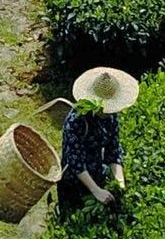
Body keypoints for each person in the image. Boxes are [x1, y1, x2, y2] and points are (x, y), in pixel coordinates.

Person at [58, 66, 138, 211]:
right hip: (74, 180)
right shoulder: (76, 121)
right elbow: (75, 162)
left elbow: (113, 150)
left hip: (96, 171)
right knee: (72, 213)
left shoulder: (111, 117)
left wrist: (119, 181)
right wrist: (96, 190)